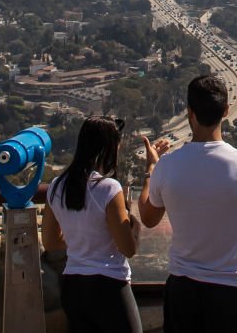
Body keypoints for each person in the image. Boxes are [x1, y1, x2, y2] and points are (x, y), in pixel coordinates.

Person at [137, 75, 237, 333]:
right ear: (225, 111)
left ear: (189, 113)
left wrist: (150, 169)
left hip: (183, 292)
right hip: (232, 293)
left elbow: (148, 217)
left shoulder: (167, 167)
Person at [42, 116, 143, 333]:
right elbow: (128, 248)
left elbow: (50, 242)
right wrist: (135, 227)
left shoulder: (56, 187)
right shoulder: (108, 188)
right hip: (109, 286)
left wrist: (81, 240)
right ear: (109, 147)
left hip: (73, 287)